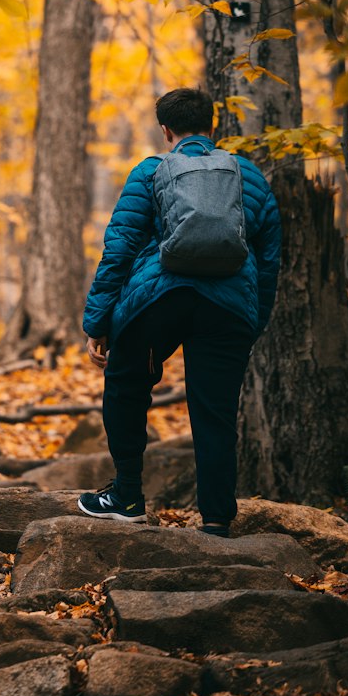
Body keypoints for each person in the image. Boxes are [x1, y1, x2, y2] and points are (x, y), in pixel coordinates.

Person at [79, 87, 281, 535]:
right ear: (214, 126)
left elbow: (120, 249)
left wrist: (98, 322)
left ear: (165, 130)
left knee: (127, 384)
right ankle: (215, 519)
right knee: (216, 410)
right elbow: (268, 263)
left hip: (160, 301)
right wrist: (255, 319)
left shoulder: (151, 172)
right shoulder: (249, 176)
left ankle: (128, 494)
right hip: (228, 310)